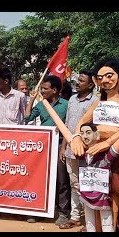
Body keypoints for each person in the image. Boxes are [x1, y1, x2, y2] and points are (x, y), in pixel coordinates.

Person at [70, 58, 119, 231]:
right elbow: (82, 122)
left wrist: (109, 143)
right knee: (96, 193)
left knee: (114, 196)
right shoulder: (97, 104)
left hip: (118, 155)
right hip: (95, 155)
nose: (105, 80)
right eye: (100, 77)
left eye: (109, 75)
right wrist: (77, 138)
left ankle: (112, 227)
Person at [0, 67, 27, 221]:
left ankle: (17, 207)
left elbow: (26, 118)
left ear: (6, 81)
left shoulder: (20, 96)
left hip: (16, 144)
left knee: (16, 177)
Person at [24, 75, 69, 225]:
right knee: (42, 180)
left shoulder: (66, 105)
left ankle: (63, 213)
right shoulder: (41, 105)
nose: (42, 91)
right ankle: (40, 210)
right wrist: (31, 99)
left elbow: (69, 125)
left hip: (60, 146)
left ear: (55, 90)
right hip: (44, 148)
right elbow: (27, 117)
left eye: (45, 88)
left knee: (62, 181)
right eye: (41, 88)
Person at [58, 70, 97, 229]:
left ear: (90, 84)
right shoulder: (72, 100)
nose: (77, 83)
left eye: (81, 81)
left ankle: (91, 220)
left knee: (88, 184)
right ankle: (75, 217)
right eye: (77, 80)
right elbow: (67, 125)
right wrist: (63, 147)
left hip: (87, 151)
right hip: (69, 151)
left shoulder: (95, 101)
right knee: (74, 184)